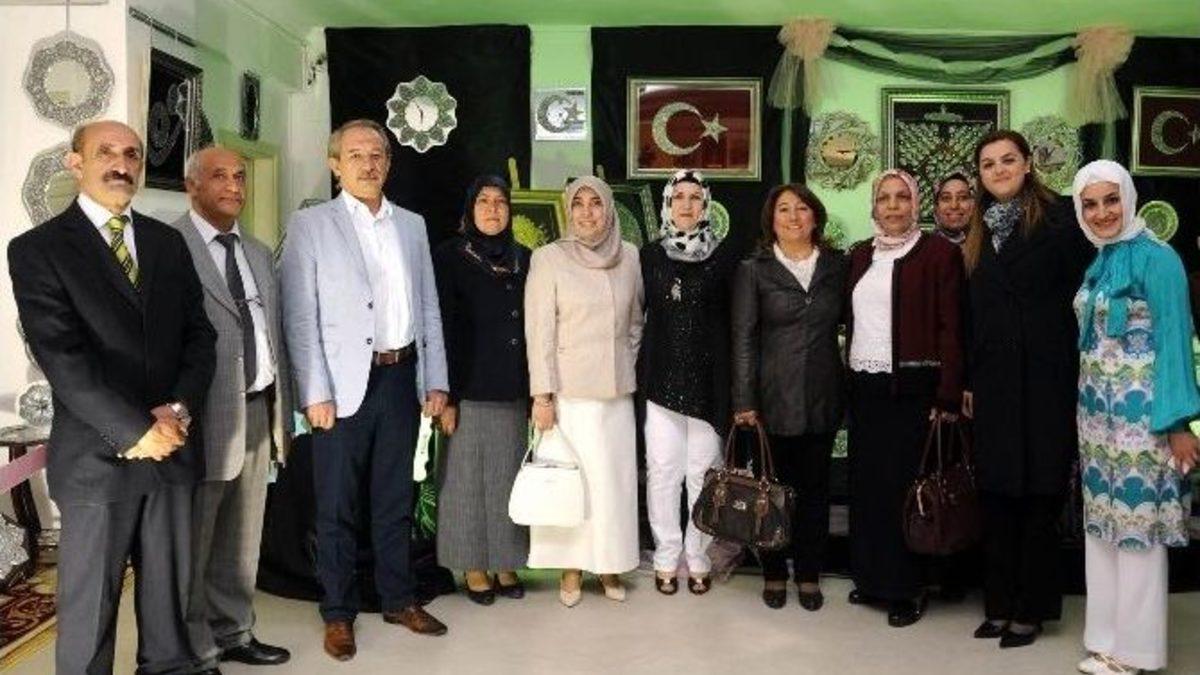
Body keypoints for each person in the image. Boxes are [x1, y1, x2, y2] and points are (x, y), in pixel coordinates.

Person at [7, 120, 216, 674]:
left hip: (173, 450)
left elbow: (201, 338)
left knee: (170, 613)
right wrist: (135, 430)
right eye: (106, 153)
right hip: (98, 459)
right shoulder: (37, 250)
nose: (122, 164)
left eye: (132, 154)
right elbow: (62, 357)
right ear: (76, 163)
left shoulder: (167, 242)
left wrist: (178, 411)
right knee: (89, 615)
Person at [280, 118, 450, 661]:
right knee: (336, 505)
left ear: (389, 164)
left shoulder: (412, 225)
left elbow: (428, 306)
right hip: (340, 386)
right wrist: (314, 391)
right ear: (335, 165)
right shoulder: (311, 225)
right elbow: (300, 316)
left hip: (401, 377)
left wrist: (436, 378)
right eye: (355, 155)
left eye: (376, 154)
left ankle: (399, 599)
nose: (367, 164)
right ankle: (338, 612)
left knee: (395, 498)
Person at [962, 130, 1094, 648]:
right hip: (994, 383)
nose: (998, 170)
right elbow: (974, 315)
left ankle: (1031, 609)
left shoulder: (1062, 220)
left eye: (1007, 160)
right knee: (997, 494)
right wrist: (970, 379)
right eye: (988, 163)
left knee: (1039, 496)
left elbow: (1082, 296)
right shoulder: (978, 228)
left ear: (1027, 165)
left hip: (1045, 379)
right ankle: (998, 603)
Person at [1071, 160, 1199, 675]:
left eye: (1111, 200)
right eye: (1090, 204)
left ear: (1128, 198)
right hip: (1096, 422)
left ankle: (1137, 652)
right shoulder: (1102, 259)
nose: (1102, 213)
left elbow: (1176, 341)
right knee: (1103, 528)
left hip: (1143, 421)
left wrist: (1177, 423)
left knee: (1138, 532)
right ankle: (1106, 639)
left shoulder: (1159, 259)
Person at [173, 147, 292, 668]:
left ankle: (234, 632)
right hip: (201, 418)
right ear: (191, 186)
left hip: (257, 409)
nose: (234, 186)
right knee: (194, 540)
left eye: (240, 176)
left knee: (243, 536)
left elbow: (273, 335)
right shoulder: (169, 246)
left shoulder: (258, 252)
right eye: (218, 176)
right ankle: (190, 647)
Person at [845, 169, 965, 627]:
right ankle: (871, 577)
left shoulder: (938, 254)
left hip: (914, 392)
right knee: (869, 488)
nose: (893, 206)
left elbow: (952, 328)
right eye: (884, 198)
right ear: (873, 207)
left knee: (906, 491)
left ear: (915, 205)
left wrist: (947, 395)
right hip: (866, 389)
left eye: (902, 197)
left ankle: (907, 587)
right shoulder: (861, 255)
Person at [524, 175, 644, 607]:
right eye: (579, 203)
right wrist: (542, 396)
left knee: (613, 484)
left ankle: (610, 565)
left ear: (608, 208)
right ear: (569, 210)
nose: (588, 212)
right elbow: (539, 331)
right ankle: (570, 568)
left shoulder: (629, 256)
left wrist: (622, 363)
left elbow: (636, 323)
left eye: (596, 203)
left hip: (616, 395)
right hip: (568, 395)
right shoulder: (549, 258)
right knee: (573, 484)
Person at [732, 183, 847, 610]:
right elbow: (743, 338)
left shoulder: (838, 265)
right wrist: (744, 400)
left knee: (815, 493)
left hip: (822, 395)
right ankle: (775, 572)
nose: (794, 217)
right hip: (770, 400)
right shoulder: (754, 269)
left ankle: (810, 574)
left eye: (802, 208)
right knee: (772, 493)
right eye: (784, 209)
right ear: (771, 219)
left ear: (816, 216)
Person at [433, 175, 531, 604]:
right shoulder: (450, 256)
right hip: (467, 389)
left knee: (509, 479)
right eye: (484, 201)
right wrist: (447, 396)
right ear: (470, 210)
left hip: (511, 387)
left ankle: (507, 563)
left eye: (500, 202)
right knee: (466, 483)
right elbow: (442, 326)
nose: (493, 209)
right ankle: (473, 565)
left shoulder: (525, 258)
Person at [640, 169, 738, 597]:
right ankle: (666, 555)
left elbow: (734, 322)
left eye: (694, 197)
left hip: (709, 383)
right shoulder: (649, 256)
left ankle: (698, 557)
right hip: (660, 380)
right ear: (667, 203)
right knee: (663, 472)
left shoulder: (726, 256)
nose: (686, 204)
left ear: (706, 204)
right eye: (678, 196)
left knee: (703, 474)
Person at [932, 171, 975, 245]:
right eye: (946, 198)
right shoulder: (923, 248)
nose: (954, 206)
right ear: (936, 207)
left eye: (963, 197)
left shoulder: (991, 245)